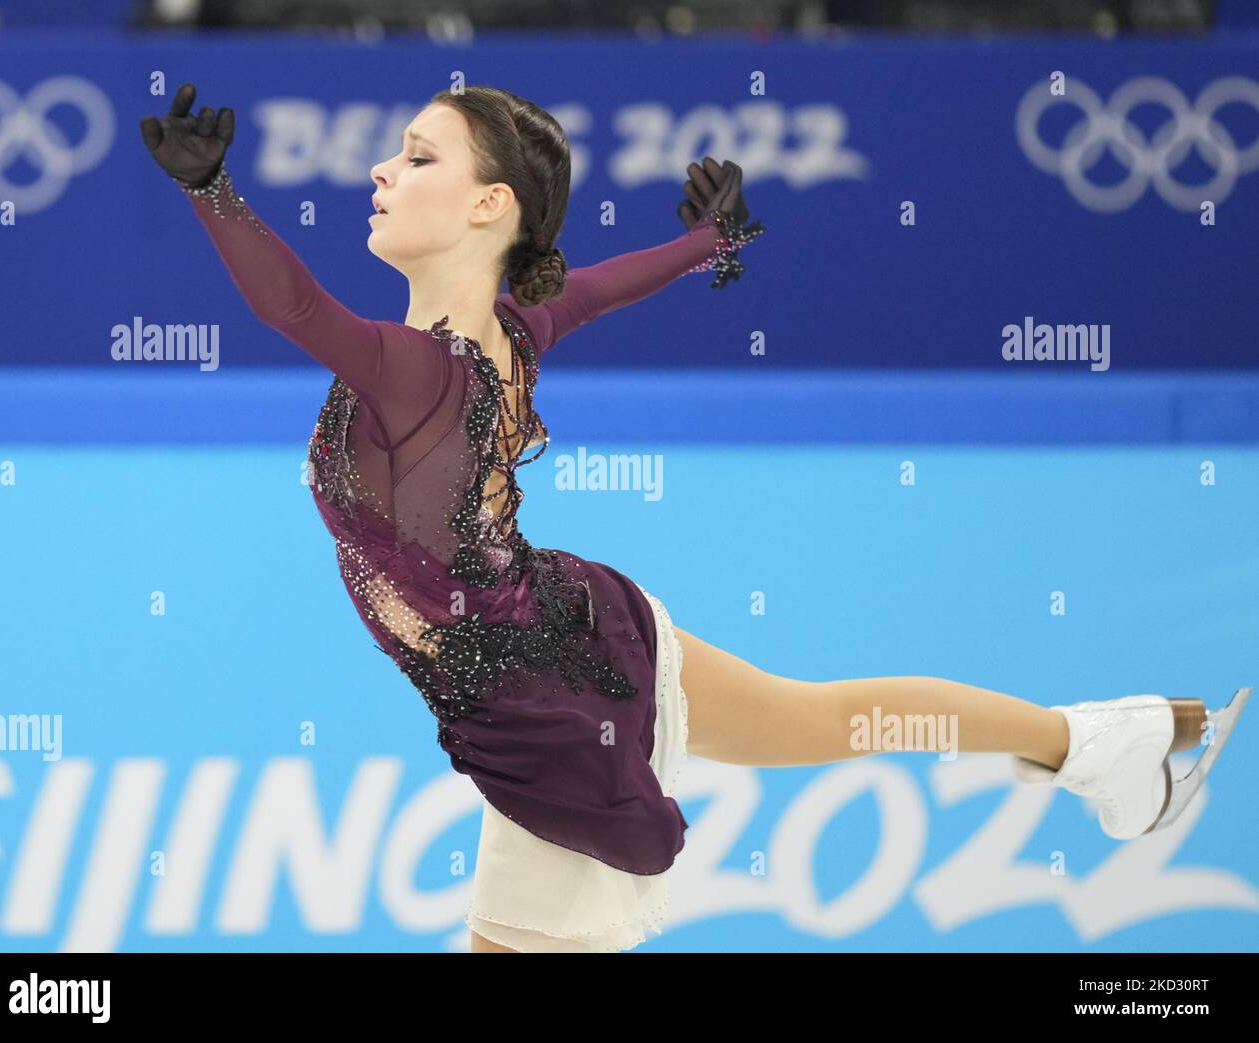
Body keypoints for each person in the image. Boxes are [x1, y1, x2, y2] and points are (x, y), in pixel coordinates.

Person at [141, 82, 1249, 953]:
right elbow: (608, 284)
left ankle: (1103, 742)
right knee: (823, 719)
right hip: (567, 646)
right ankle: (1103, 738)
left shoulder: (414, 369)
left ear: (491, 206)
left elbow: (290, 304)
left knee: (824, 722)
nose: (382, 170)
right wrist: (703, 245)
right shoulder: (510, 334)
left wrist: (213, 195)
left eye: (419, 156)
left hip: (552, 715)